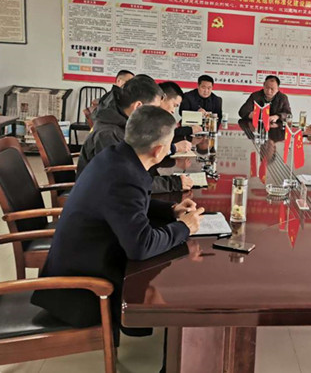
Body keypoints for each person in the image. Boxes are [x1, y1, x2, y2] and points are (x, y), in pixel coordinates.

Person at [32, 105, 205, 336]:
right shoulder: (125, 176)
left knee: (164, 261)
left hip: (85, 261)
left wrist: (171, 210)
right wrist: (184, 227)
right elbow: (141, 246)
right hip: (81, 290)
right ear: (158, 151)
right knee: (173, 277)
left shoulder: (117, 156)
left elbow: (128, 204)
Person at [78, 76, 193, 193]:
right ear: (138, 106)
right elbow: (126, 182)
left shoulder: (123, 121)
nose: (156, 114)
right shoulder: (108, 134)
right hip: (103, 198)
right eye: (154, 109)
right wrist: (174, 183)